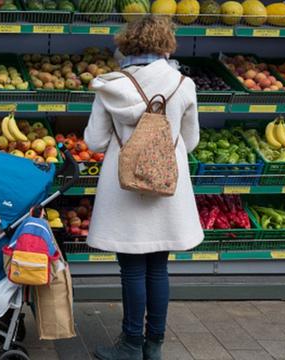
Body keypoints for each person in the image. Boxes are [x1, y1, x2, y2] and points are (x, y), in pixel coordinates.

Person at [83, 16, 204, 360]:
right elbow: (191, 142)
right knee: (158, 268)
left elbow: (94, 140)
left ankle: (131, 344)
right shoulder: (183, 84)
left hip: (124, 189)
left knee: (132, 268)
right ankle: (154, 345)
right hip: (167, 184)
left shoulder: (111, 84)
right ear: (166, 43)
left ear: (127, 44)